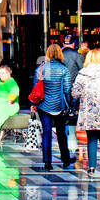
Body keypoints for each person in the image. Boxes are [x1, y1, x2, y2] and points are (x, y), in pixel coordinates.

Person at [31, 43, 74, 171]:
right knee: (61, 133)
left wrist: (34, 104)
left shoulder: (41, 69)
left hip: (43, 105)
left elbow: (35, 89)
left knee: (47, 132)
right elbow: (67, 89)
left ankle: (47, 162)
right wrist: (69, 103)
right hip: (59, 105)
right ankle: (65, 159)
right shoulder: (64, 69)